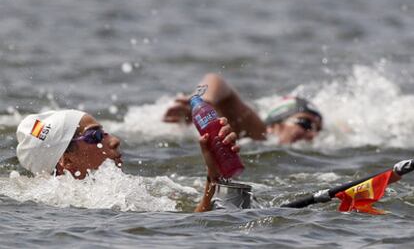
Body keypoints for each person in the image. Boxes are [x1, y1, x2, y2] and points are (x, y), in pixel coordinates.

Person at [15, 109, 240, 212]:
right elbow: (192, 230)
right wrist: (214, 174)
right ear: (67, 161)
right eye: (95, 136)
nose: (114, 140)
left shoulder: (118, 193)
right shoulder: (96, 206)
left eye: (104, 132)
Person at [164, 73, 323, 144]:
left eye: (319, 128)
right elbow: (214, 80)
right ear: (276, 126)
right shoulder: (257, 131)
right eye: (305, 124)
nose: (313, 134)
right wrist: (202, 101)